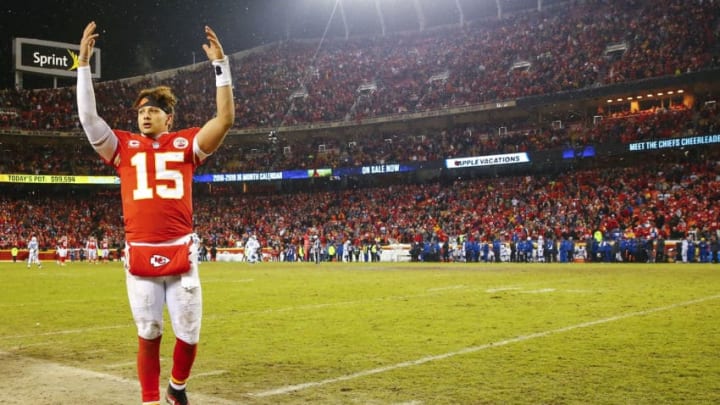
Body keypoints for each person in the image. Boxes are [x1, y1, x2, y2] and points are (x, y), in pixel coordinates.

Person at [76, 21, 234, 405]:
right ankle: (149, 400)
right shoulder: (124, 147)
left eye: (153, 111)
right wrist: (82, 65)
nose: (145, 116)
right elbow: (89, 120)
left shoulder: (186, 144)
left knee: (189, 333)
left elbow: (225, 120)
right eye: (141, 112)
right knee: (148, 329)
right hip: (141, 251)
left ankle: (176, 388)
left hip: (180, 250)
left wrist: (221, 68)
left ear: (169, 118)